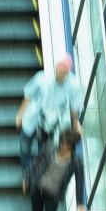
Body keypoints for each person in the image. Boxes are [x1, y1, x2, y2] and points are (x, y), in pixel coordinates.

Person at [15, 55, 83, 193]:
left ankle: (35, 177)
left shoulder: (73, 85)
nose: (62, 74)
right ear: (56, 68)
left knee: (44, 152)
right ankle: (26, 176)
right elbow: (28, 95)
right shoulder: (42, 79)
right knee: (25, 148)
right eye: (60, 70)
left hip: (51, 124)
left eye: (65, 72)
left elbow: (75, 105)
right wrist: (20, 114)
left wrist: (75, 123)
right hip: (33, 118)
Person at [29, 128, 87, 211]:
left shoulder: (75, 162)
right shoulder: (50, 150)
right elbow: (36, 162)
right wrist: (28, 178)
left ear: (72, 146)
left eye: (66, 146)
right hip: (38, 188)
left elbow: (80, 181)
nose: (62, 148)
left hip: (53, 195)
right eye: (61, 144)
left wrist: (79, 203)